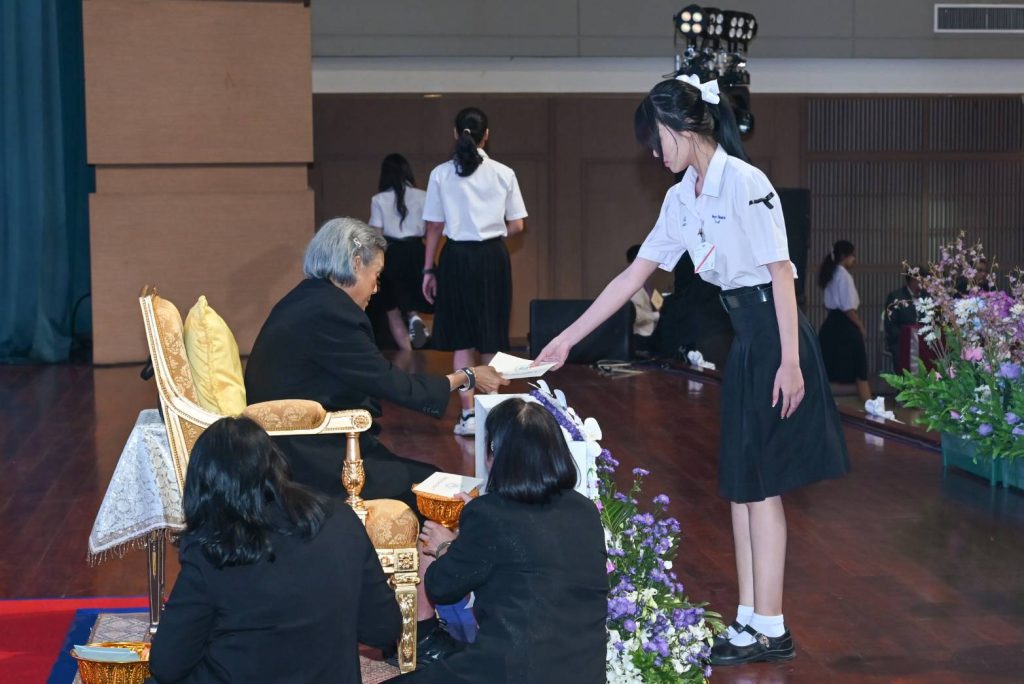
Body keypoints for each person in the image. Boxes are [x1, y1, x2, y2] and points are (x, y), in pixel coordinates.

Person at [536, 75, 849, 666]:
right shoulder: (682, 198)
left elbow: (782, 274)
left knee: (763, 486)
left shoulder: (747, 183)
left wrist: (790, 361)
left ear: (681, 127)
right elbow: (633, 276)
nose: (655, 154)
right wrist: (568, 338)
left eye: (656, 140)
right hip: (747, 338)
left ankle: (772, 627)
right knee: (741, 485)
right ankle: (749, 619)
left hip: (775, 335)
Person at [245, 218, 508, 663]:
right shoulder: (332, 312)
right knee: (435, 494)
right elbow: (392, 384)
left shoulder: (308, 300)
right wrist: (465, 377)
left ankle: (403, 621)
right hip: (311, 459)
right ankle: (419, 630)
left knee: (431, 482)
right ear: (354, 263)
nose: (376, 287)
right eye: (376, 274)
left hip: (299, 448)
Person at [148, 416, 401, 684]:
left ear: (202, 487)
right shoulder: (340, 518)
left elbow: (167, 665)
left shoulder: (212, 548)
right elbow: (383, 630)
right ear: (276, 464)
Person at [395, 399, 608, 683]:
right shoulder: (584, 510)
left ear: (493, 453)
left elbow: (441, 587)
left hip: (511, 672)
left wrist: (445, 546)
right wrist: (475, 525)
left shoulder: (489, 514)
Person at [421, 107, 528, 436]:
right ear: (487, 135)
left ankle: (467, 415)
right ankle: (492, 418)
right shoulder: (503, 172)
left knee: (462, 340)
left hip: (456, 256)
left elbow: (434, 226)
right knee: (492, 337)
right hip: (492, 257)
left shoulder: (440, 174)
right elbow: (517, 224)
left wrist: (428, 269)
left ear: (455, 134)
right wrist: (492, 235)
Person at [369, 153, 432, 350]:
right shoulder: (423, 196)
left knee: (393, 311)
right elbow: (430, 230)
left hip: (392, 253)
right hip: (417, 252)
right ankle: (414, 317)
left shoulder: (378, 200)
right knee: (413, 298)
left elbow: (377, 236)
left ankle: (407, 355)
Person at [817, 240, 871, 402]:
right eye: (852, 255)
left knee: (827, 368)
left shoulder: (831, 273)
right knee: (860, 370)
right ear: (844, 256)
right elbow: (848, 308)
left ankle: (824, 406)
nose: (854, 259)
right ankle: (869, 404)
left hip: (831, 325)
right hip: (845, 325)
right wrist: (860, 325)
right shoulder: (843, 276)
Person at [884, 267, 928, 368]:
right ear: (912, 280)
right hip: (902, 340)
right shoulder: (896, 297)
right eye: (920, 279)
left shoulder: (927, 296)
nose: (923, 283)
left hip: (924, 340)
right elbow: (891, 325)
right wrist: (907, 337)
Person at [626, 244, 660, 353]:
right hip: (639, 336)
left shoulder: (647, 284)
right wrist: (656, 316)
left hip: (652, 334)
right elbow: (634, 315)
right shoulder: (630, 286)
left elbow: (658, 303)